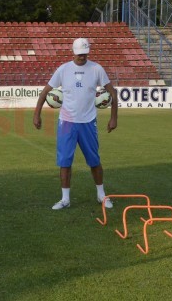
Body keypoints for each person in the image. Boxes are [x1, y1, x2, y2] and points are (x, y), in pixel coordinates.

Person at [32, 38, 118, 210]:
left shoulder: (96, 69)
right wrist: (37, 114)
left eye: (85, 53)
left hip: (88, 122)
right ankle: (65, 199)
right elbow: (44, 93)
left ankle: (101, 195)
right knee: (64, 162)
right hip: (67, 123)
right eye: (79, 54)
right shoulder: (63, 70)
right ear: (74, 52)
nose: (82, 57)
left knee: (94, 161)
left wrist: (114, 117)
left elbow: (112, 92)